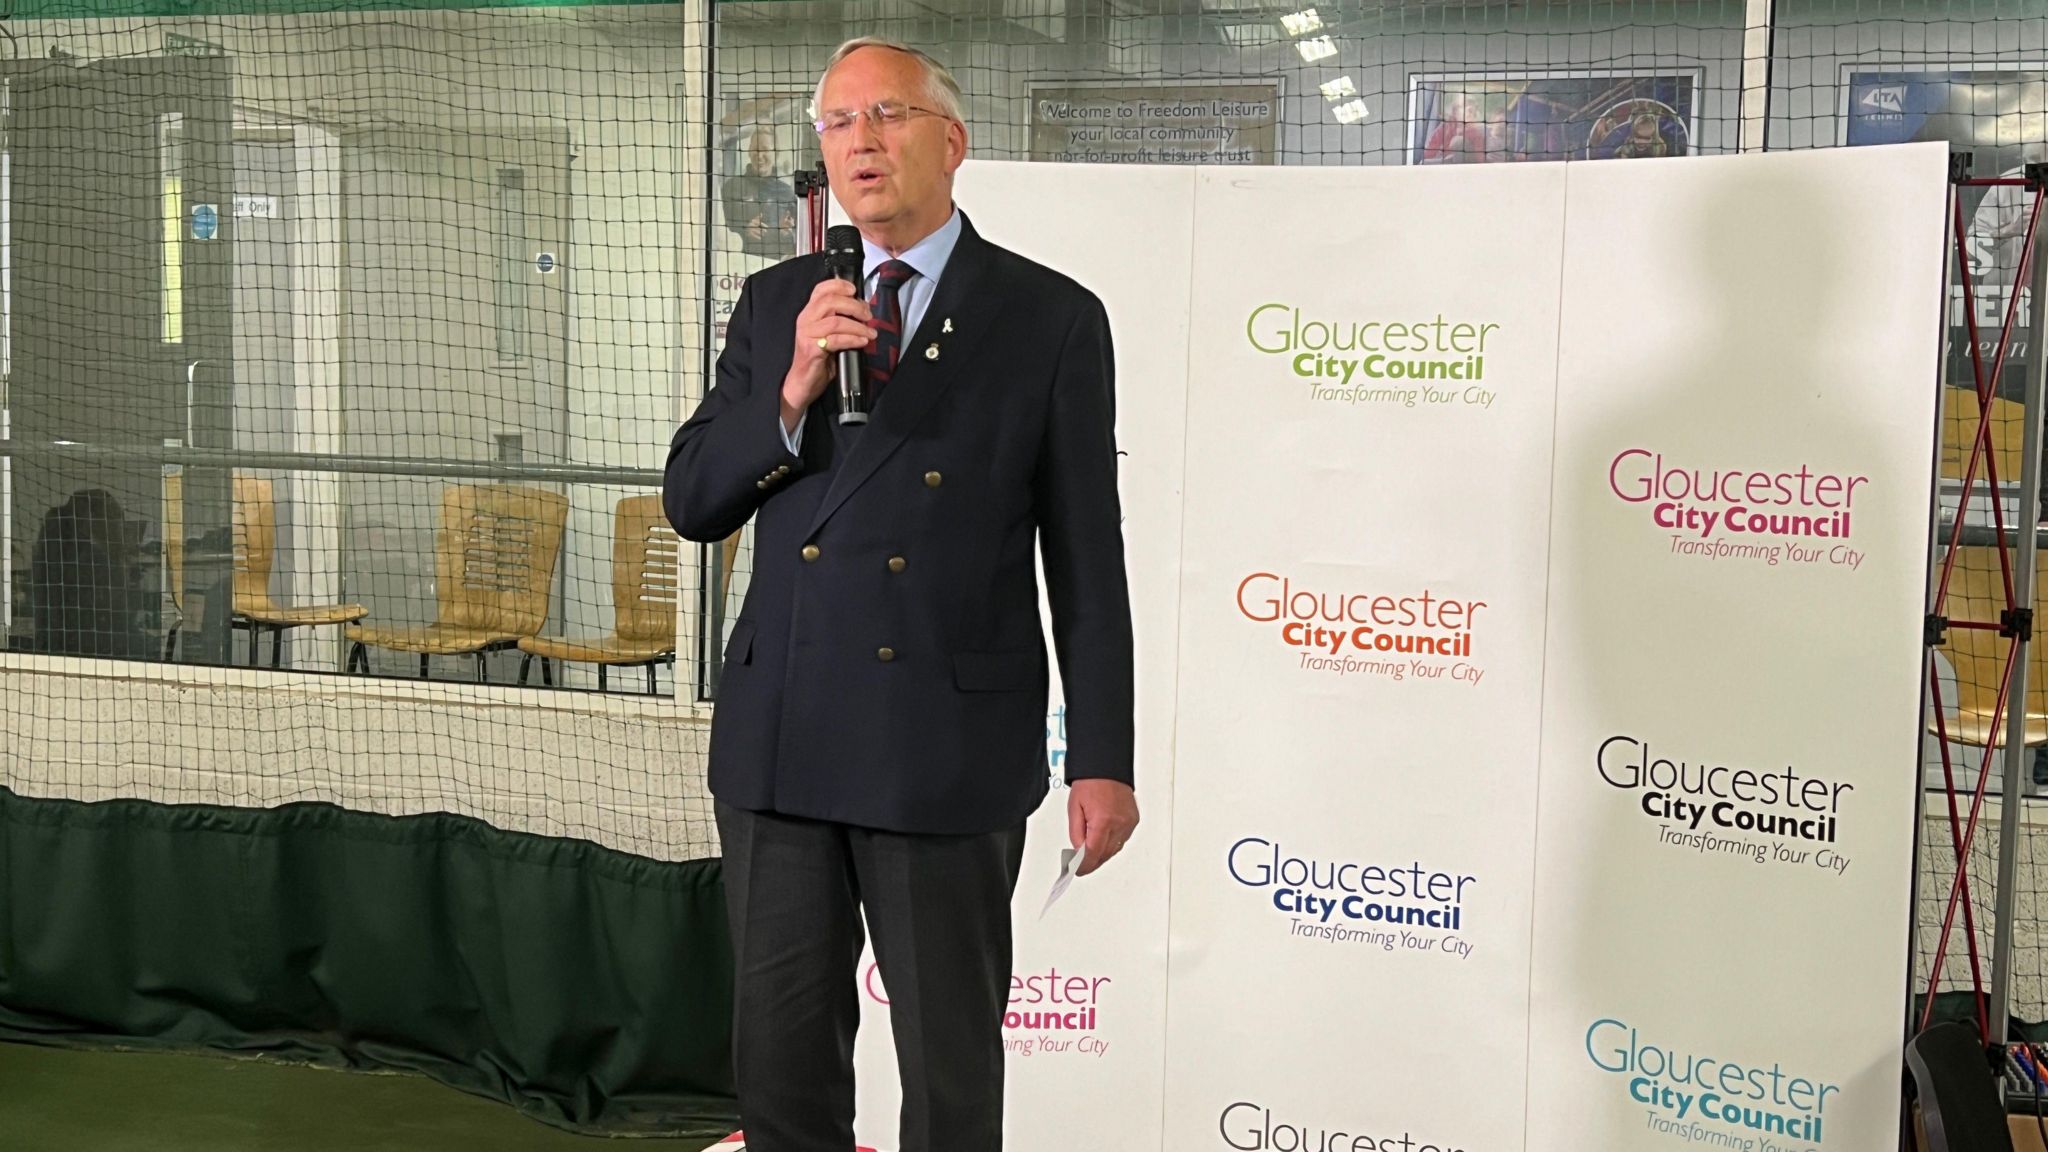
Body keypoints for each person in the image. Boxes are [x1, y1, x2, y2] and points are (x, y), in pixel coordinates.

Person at [662, 36, 1139, 1152]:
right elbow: (693, 498)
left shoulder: (1049, 317)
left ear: (951, 141)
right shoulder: (779, 298)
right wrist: (787, 390)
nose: (859, 143)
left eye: (886, 116)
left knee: (949, 1067)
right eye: (836, 124)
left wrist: (1103, 757)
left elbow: (1085, 553)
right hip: (781, 737)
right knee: (781, 1061)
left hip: (944, 747)